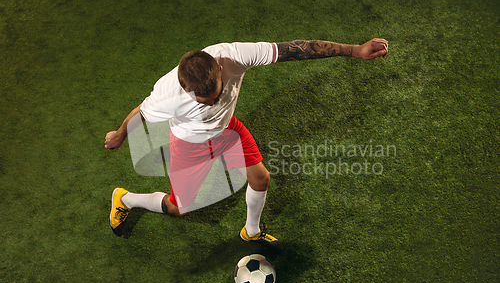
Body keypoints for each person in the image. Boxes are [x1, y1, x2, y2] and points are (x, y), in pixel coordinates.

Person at [104, 38, 389, 252]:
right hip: (189, 144)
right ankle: (125, 198)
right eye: (205, 102)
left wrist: (355, 50)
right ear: (184, 88)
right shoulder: (167, 95)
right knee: (180, 208)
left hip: (228, 130)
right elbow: (141, 112)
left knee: (261, 179)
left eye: (216, 95)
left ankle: (251, 231)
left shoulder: (235, 55)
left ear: (218, 67)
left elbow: (296, 49)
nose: (214, 103)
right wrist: (119, 134)